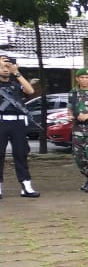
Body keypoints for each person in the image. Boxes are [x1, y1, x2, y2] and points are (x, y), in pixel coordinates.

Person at [0, 55, 38, 199]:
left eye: (7, 66)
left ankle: (26, 186)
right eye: (2, 66)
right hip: (1, 122)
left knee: (21, 153)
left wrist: (16, 72)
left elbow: (30, 91)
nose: (5, 69)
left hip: (17, 123)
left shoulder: (16, 83)